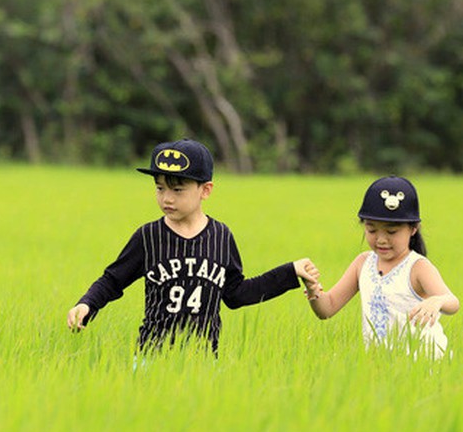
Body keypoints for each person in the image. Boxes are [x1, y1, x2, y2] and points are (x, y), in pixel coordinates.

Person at [67, 138, 318, 352]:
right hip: (151, 356)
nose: (166, 198)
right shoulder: (148, 237)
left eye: (177, 190)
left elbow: (236, 293)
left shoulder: (221, 236)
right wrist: (86, 303)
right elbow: (113, 280)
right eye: (159, 188)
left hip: (204, 360)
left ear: (205, 190)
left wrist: (289, 272)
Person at [303, 176, 459, 358]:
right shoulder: (362, 263)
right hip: (379, 363)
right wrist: (313, 289)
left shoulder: (417, 267)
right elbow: (327, 309)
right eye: (372, 230)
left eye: (392, 231)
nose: (381, 239)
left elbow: (453, 302)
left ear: (413, 229)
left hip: (423, 362)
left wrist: (437, 301)